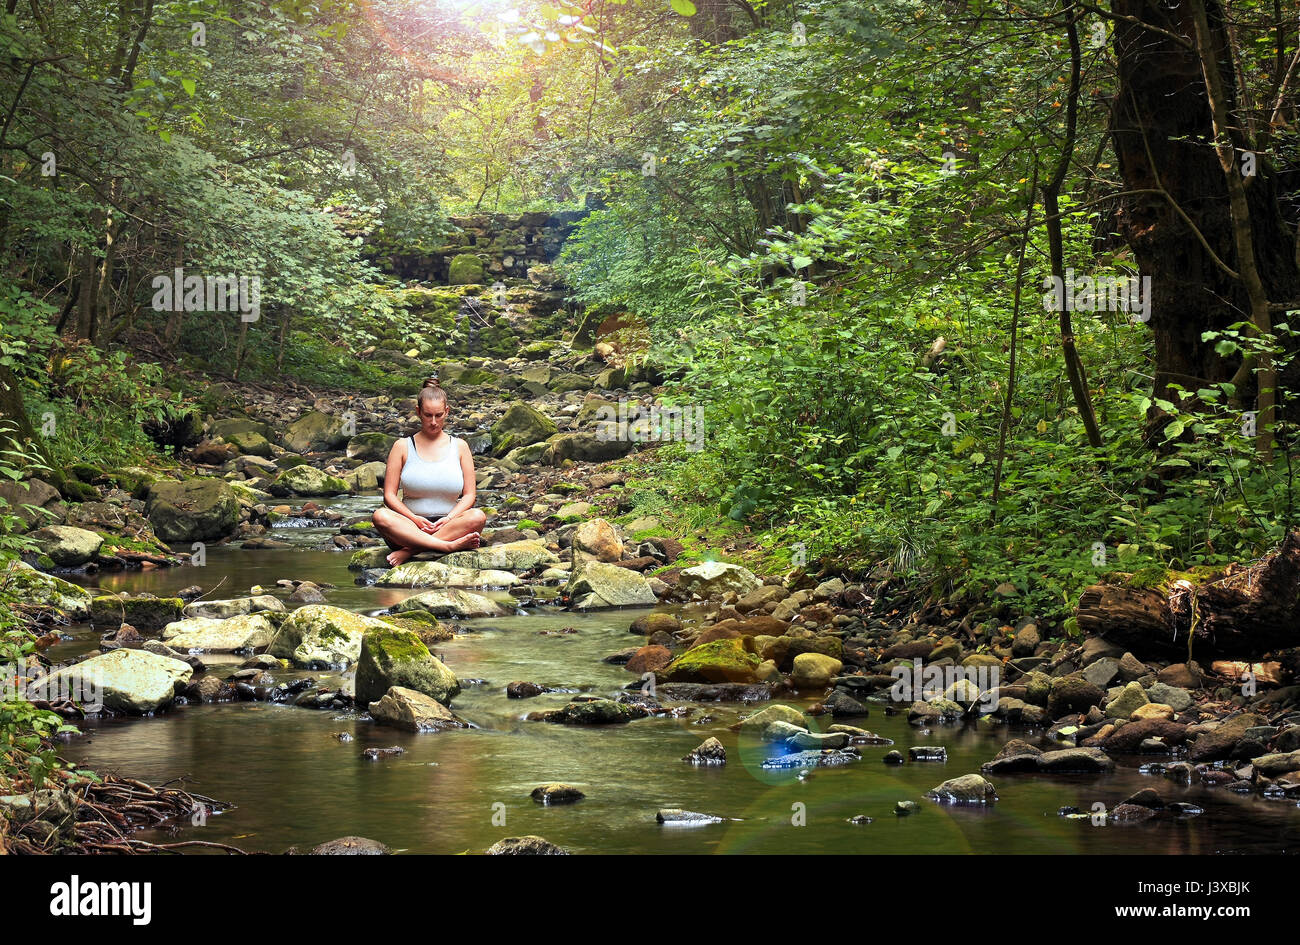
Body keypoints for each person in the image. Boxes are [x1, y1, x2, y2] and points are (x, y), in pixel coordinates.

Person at [371, 378, 486, 566]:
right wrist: (414, 519)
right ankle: (447, 546)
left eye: (439, 415)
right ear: (418, 412)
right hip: (409, 528)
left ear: (447, 412)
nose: (433, 422)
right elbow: (389, 496)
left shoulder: (460, 446)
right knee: (380, 516)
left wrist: (449, 518)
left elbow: (469, 495)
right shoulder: (402, 446)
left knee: (478, 516)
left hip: (450, 524)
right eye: (428, 415)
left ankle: (411, 551)